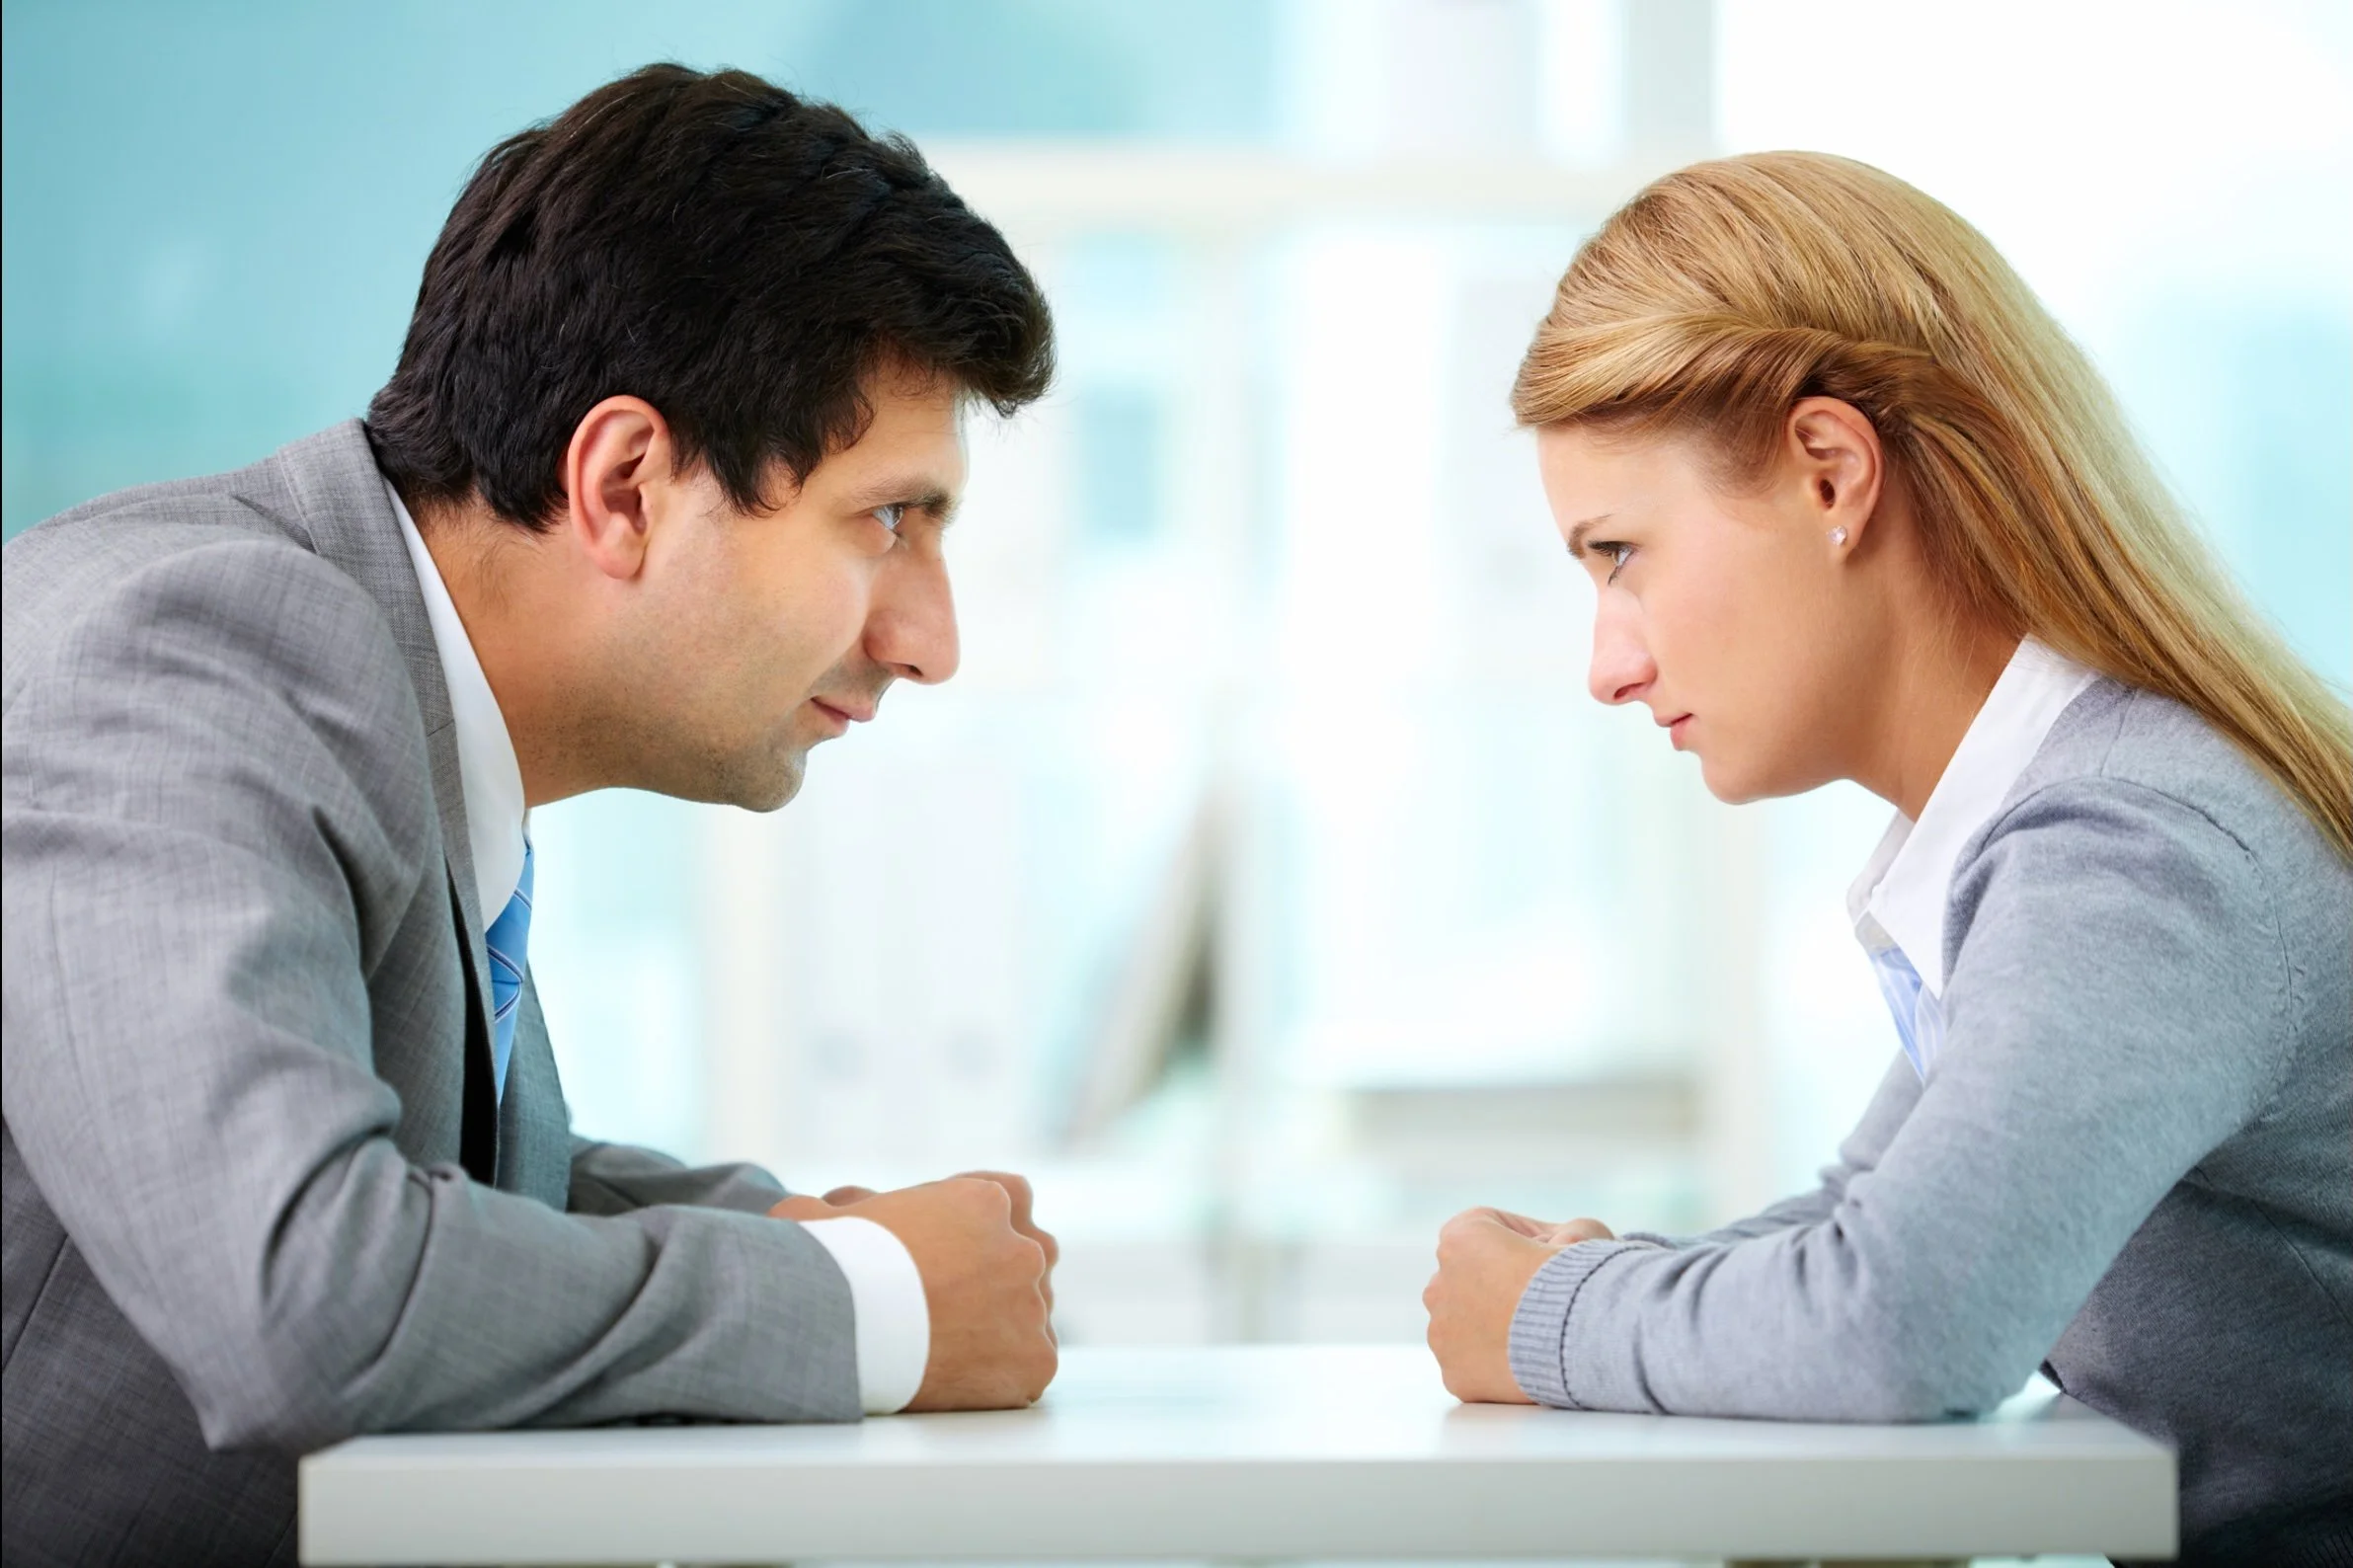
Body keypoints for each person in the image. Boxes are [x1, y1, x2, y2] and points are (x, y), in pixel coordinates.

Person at [2, 65, 1062, 1566]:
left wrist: (787, 1237)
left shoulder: (378, 686)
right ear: (624, 484)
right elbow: (299, 1289)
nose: (930, 640)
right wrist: (868, 1307)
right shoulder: (182, 653)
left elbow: (436, 1162)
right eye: (886, 518)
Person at [1420, 152, 2351, 1567]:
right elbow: (1873, 1220)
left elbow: (1906, 1321)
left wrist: (1545, 1319)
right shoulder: (2034, 824)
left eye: (1619, 554)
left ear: (1828, 473)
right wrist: (1602, 1286)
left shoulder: (2129, 849)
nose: (1608, 665)